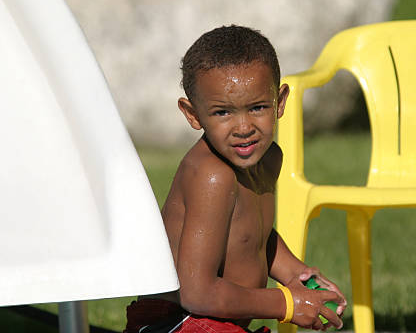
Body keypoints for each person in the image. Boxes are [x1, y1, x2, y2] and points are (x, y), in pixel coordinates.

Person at [125, 25, 347, 333]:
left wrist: (294, 272)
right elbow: (197, 292)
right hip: (175, 321)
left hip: (210, 319)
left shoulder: (269, 159)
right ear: (193, 114)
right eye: (222, 113)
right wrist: (285, 304)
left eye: (257, 107)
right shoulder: (212, 176)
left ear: (279, 102)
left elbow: (252, 234)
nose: (243, 127)